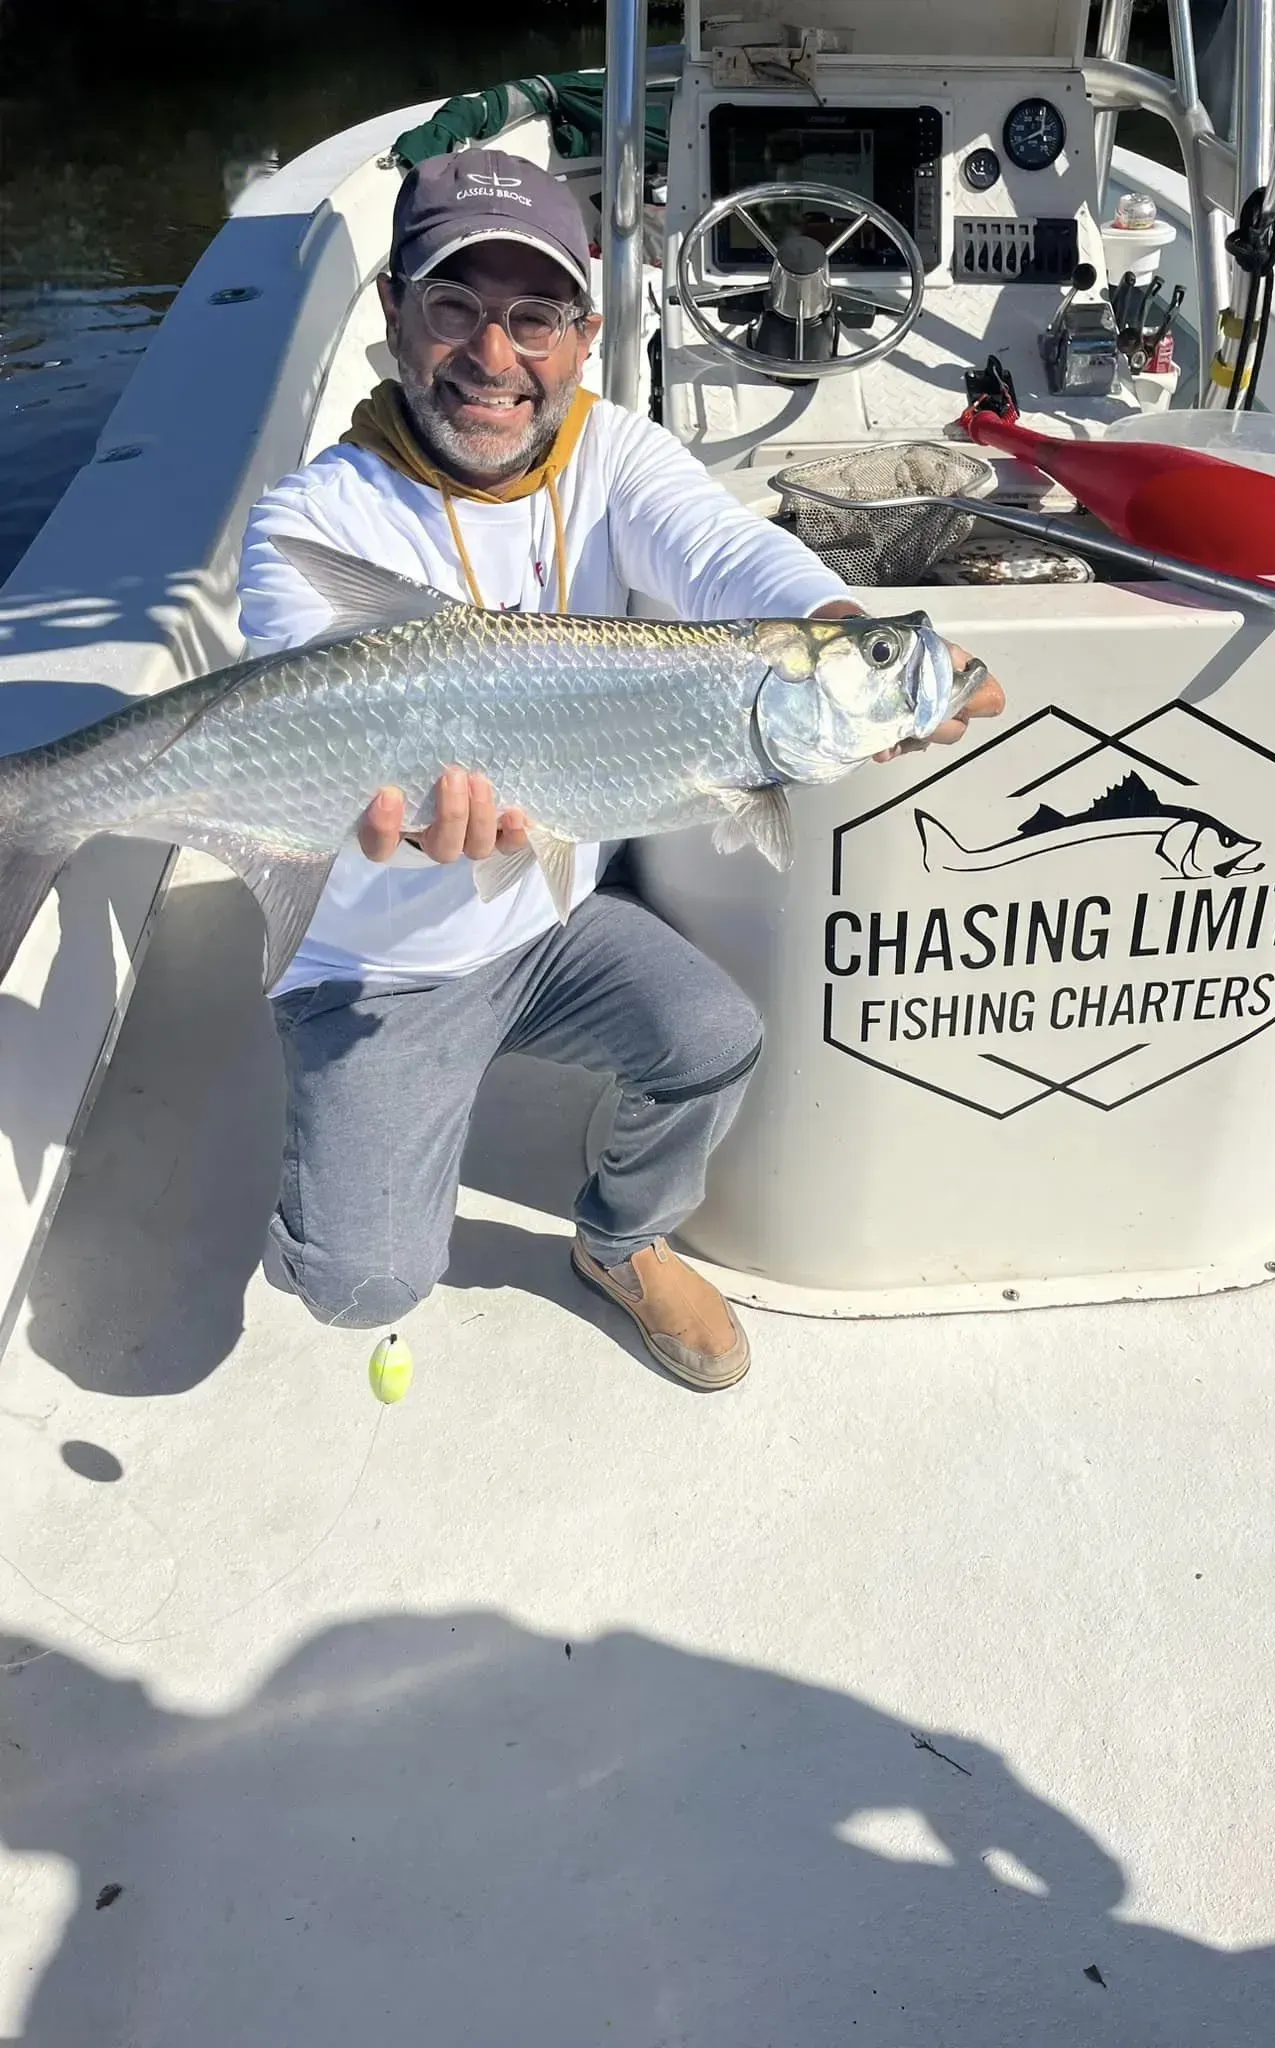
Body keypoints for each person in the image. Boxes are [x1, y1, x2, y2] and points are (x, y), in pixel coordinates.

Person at [237, 149, 1003, 1391]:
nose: (495, 356)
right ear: (391, 314)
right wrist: (365, 807)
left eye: (533, 316)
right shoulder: (314, 521)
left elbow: (731, 559)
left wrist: (855, 629)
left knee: (715, 1037)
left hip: (546, 917)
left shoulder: (614, 452)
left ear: (585, 335)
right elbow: (290, 682)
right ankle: (339, 1172)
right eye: (454, 307)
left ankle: (618, 1237)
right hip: (375, 967)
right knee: (358, 1283)